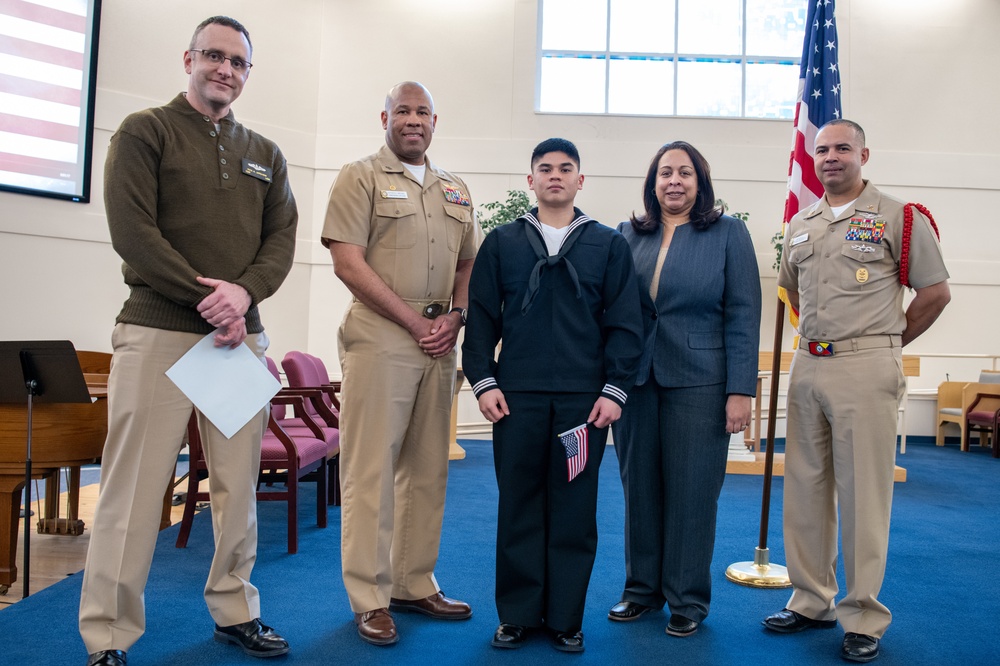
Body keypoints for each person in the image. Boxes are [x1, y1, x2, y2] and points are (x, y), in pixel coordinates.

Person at [78, 16, 297, 666]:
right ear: (189, 59)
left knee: (239, 490)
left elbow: (280, 239)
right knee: (134, 492)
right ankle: (108, 636)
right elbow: (133, 231)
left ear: (247, 73)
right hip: (159, 333)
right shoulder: (146, 131)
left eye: (237, 62)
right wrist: (213, 297)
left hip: (239, 345)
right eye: (214, 56)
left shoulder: (267, 152)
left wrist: (245, 297)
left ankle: (236, 611)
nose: (225, 69)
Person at [763, 119, 950, 663]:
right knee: (805, 487)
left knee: (865, 494)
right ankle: (810, 599)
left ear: (864, 153)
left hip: (866, 367)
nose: (831, 158)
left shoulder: (898, 217)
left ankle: (863, 613)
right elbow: (794, 293)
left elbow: (935, 293)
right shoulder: (803, 222)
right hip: (809, 366)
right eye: (822, 150)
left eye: (842, 148)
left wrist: (888, 342)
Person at [462, 138, 644, 654]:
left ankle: (565, 617)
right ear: (531, 180)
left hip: (581, 408)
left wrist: (614, 391)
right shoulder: (503, 243)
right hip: (514, 401)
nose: (556, 176)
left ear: (580, 180)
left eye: (566, 169)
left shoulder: (608, 245)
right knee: (518, 505)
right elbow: (482, 319)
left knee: (572, 509)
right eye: (546, 169)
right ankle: (518, 614)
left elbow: (625, 325)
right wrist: (484, 380)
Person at [321, 81, 479, 647]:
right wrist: (415, 324)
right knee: (370, 472)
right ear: (384, 117)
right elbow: (347, 262)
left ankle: (414, 582)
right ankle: (370, 596)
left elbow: (467, 264)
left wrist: (456, 317)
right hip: (382, 333)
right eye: (402, 111)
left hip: (442, 338)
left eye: (422, 112)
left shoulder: (454, 189)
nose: (413, 120)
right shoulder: (358, 176)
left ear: (435, 120)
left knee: (428, 466)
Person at [607, 141, 761, 637]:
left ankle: (687, 599)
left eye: (685, 173)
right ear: (652, 183)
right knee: (640, 490)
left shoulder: (728, 233)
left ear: (701, 183)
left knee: (694, 494)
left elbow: (743, 313)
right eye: (665, 173)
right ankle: (641, 591)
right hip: (635, 382)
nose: (675, 181)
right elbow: (611, 309)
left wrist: (740, 390)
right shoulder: (627, 234)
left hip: (702, 381)